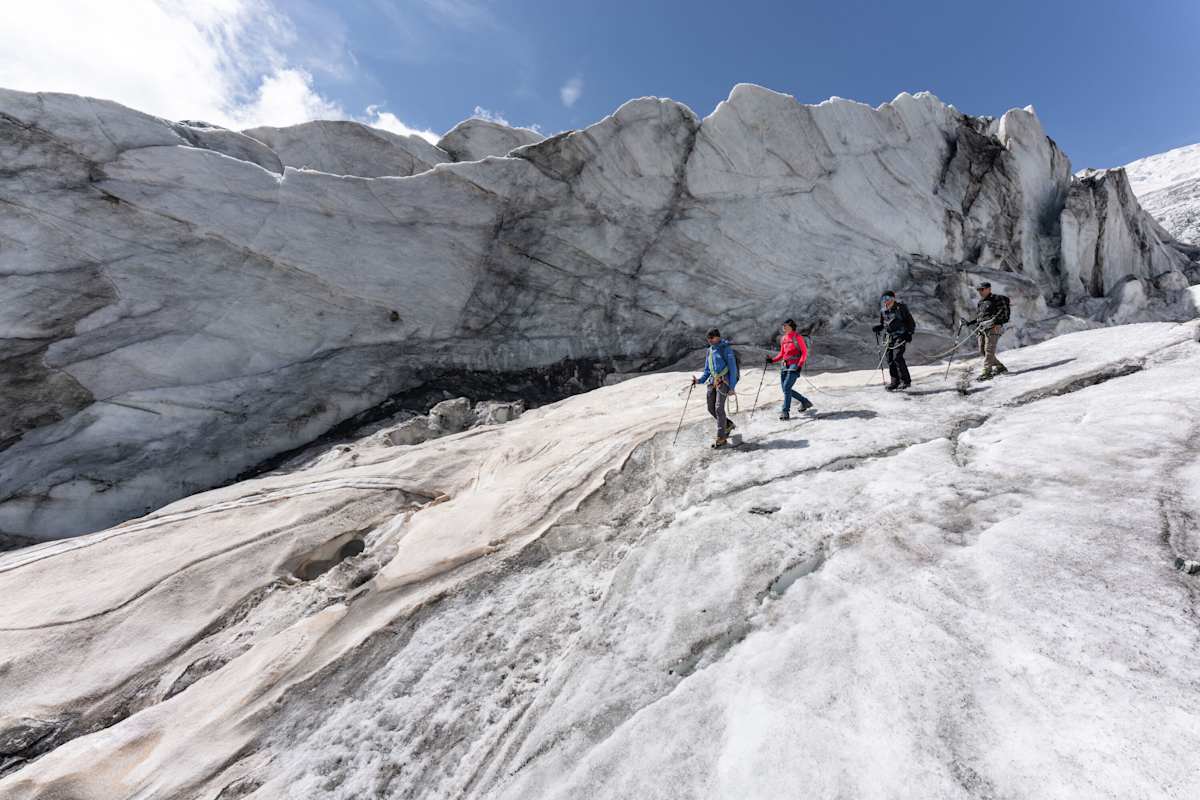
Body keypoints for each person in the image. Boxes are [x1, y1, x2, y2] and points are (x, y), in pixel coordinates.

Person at [692, 328, 740, 447]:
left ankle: (721, 437)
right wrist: (699, 380)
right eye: (708, 338)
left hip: (724, 381)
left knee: (719, 408)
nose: (709, 340)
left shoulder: (726, 349)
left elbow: (733, 368)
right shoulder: (710, 350)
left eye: (711, 338)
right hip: (712, 381)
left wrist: (732, 387)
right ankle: (727, 424)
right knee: (710, 408)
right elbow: (707, 370)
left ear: (718, 337)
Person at [765, 319, 813, 420]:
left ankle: (785, 412)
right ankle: (804, 401)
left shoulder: (797, 337)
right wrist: (772, 360)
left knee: (786, 387)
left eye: (785, 325)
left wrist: (799, 366)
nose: (783, 327)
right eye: (783, 325)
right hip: (784, 366)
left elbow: (804, 353)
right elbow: (782, 354)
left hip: (794, 366)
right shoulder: (783, 338)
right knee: (785, 389)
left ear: (791, 326)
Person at [871, 291, 915, 391]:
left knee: (897, 357)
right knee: (890, 359)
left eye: (888, 298)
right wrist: (879, 327)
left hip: (901, 336)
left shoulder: (901, 308)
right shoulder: (883, 310)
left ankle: (906, 381)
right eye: (884, 299)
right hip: (889, 337)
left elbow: (910, 322)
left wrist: (909, 333)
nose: (886, 300)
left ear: (893, 298)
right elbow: (884, 324)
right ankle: (895, 382)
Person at [966, 281, 1010, 381]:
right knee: (982, 351)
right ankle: (1000, 367)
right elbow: (980, 318)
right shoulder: (981, 303)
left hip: (994, 327)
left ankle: (987, 371)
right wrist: (969, 323)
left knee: (989, 350)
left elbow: (1002, 312)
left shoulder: (997, 299)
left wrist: (993, 321)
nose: (980, 292)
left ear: (989, 289)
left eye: (982, 289)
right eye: (979, 290)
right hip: (982, 329)